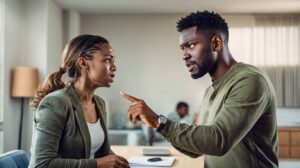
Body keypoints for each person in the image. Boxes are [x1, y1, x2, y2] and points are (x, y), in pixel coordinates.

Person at [120, 11, 278, 168]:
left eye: (191, 45)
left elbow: (218, 141)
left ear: (216, 43)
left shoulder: (250, 80)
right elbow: (198, 148)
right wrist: (158, 126)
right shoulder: (210, 90)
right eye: (183, 48)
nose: (184, 55)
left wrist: (159, 122)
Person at [29, 34, 129, 168]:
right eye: (107, 60)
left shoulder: (99, 103)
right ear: (83, 63)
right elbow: (42, 164)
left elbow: (99, 153)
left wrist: (117, 161)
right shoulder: (55, 103)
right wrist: (96, 164)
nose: (114, 67)